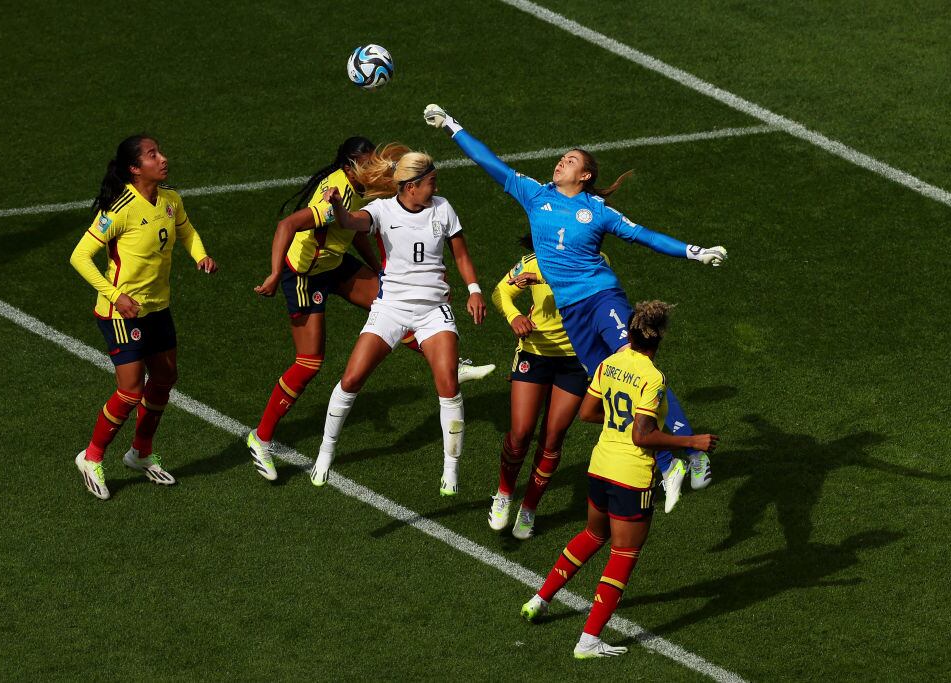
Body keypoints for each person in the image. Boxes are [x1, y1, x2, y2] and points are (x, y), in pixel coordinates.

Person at [424, 104, 721, 511]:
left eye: (571, 161)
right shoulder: (535, 195)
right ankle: (670, 462)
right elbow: (490, 163)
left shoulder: (598, 211)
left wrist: (694, 252)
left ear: (585, 177)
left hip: (602, 299)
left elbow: (644, 236)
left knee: (638, 368)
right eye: (562, 158)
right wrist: (452, 127)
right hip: (572, 313)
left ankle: (695, 453)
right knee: (617, 380)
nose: (561, 162)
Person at [247, 137, 494, 481]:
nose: (376, 167)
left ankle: (448, 364)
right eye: (368, 163)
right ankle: (261, 438)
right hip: (305, 274)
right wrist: (275, 274)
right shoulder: (337, 195)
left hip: (334, 264)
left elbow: (359, 229)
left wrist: (380, 267)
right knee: (309, 362)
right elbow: (288, 225)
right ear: (350, 166)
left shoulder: (362, 190)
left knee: (396, 298)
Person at [519, 301, 719, 659]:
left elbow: (587, 413)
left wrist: (619, 424)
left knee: (593, 534)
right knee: (623, 553)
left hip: (600, 466)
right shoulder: (653, 377)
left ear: (628, 333)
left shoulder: (609, 364)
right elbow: (643, 436)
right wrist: (691, 441)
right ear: (658, 342)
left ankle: (540, 598)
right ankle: (588, 640)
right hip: (631, 476)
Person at [309, 144, 486, 495]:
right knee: (352, 378)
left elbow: (461, 255)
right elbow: (349, 222)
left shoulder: (443, 208)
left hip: (434, 310)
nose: (435, 188)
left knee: (448, 383)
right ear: (411, 186)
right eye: (431, 182)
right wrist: (336, 207)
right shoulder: (381, 210)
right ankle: (325, 453)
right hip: (390, 307)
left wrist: (475, 289)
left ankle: (450, 470)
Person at [69, 134, 217, 500]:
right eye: (153, 155)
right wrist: (116, 296)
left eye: (160, 152)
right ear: (135, 169)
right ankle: (91, 457)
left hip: (157, 308)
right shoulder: (119, 207)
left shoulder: (170, 200)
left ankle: (140, 453)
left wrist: (200, 254)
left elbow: (185, 231)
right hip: (121, 313)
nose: (163, 159)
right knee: (131, 389)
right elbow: (79, 257)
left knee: (166, 376)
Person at [488, 234, 597, 539]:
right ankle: (504, 493)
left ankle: (529, 509)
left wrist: (539, 276)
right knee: (521, 432)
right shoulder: (530, 263)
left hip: (575, 361)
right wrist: (515, 316)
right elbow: (500, 293)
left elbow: (579, 284)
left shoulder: (593, 264)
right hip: (534, 354)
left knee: (552, 439)